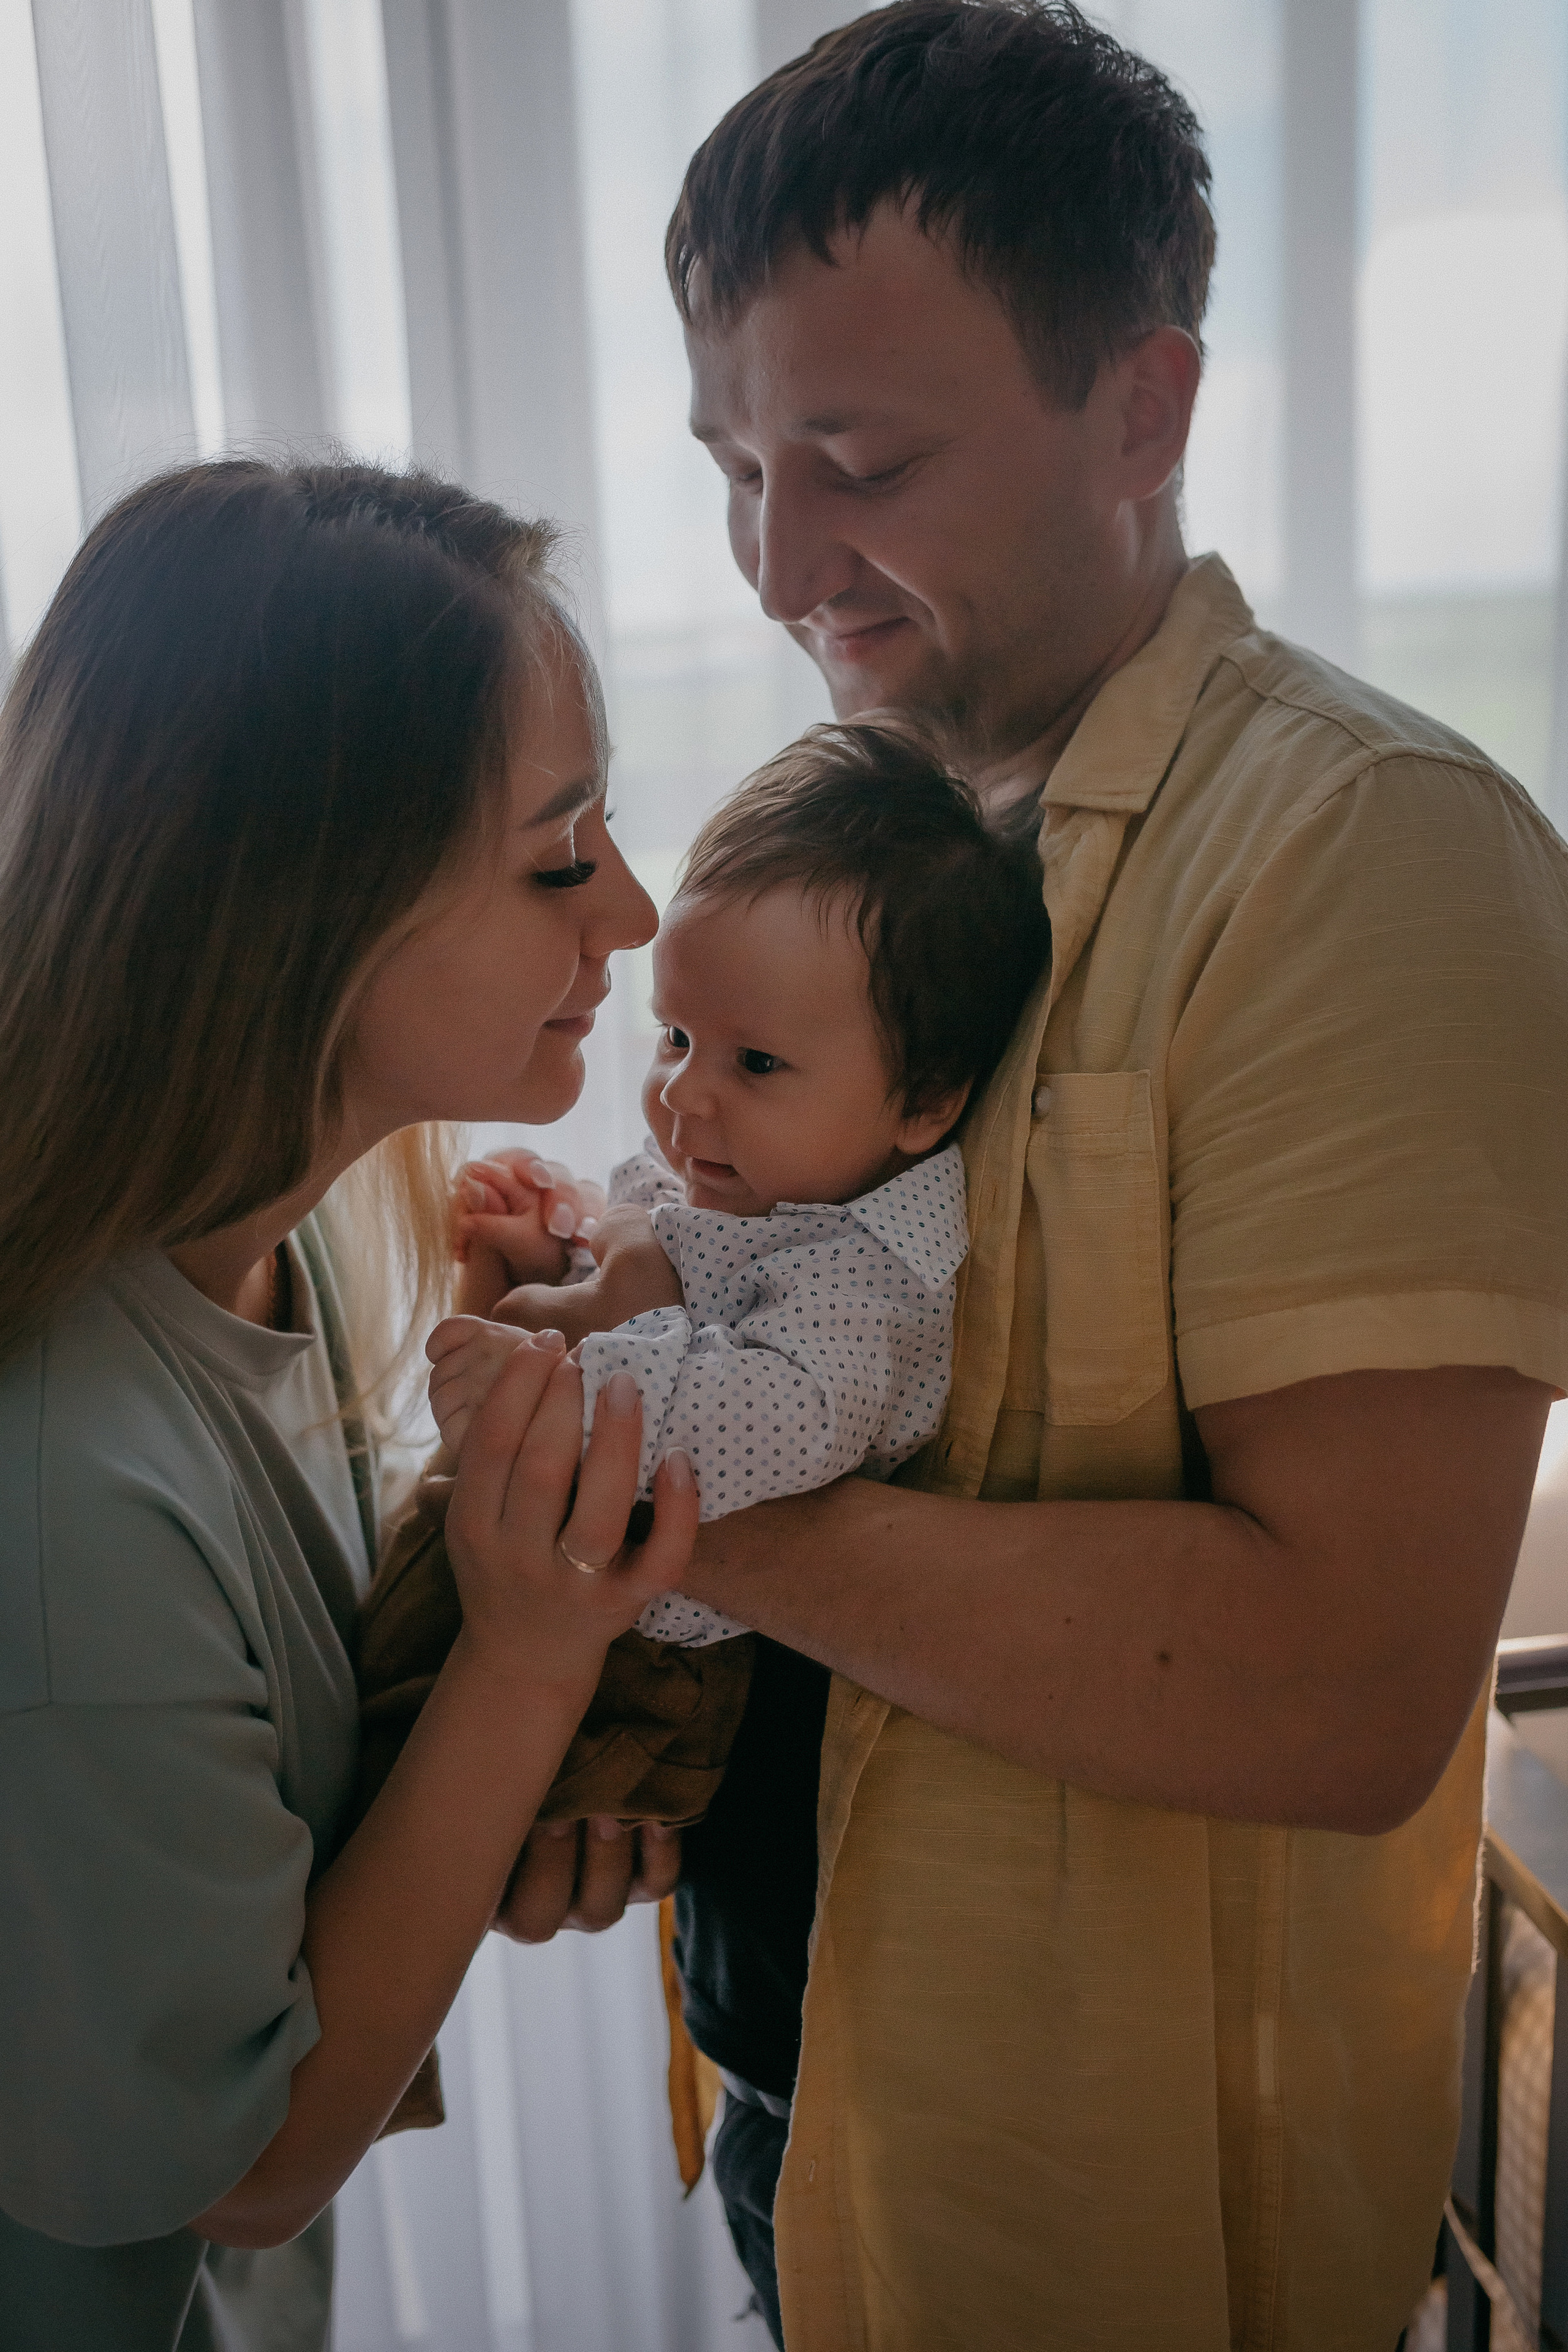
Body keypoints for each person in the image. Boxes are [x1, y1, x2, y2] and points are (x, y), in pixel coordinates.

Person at [495, 5, 1568, 2344]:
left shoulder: (1367, 860)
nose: (782, 560)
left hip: (1105, 2203)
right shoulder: (879, 830)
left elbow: (1340, 1684)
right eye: (736, 466)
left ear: (1146, 410)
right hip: (823, 2091)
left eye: (860, 459)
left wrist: (617, 1492)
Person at [0, 459, 697, 2352]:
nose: (634, 912)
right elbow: (247, 2158)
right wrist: (528, 1665)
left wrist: (463, 1767)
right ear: (295, 904)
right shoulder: (65, 1491)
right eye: (559, 856)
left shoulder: (267, 1253)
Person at [355, 723, 1049, 1894]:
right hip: (560, 1580)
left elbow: (777, 1419)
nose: (683, 1095)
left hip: (648, 1668)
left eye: (755, 1064)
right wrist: (564, 1239)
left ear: (925, 1102)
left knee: (384, 1812)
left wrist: (567, 1379)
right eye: (676, 1036)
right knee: (349, 1723)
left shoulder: (864, 1275)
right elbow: (660, 1264)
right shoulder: (749, 1175)